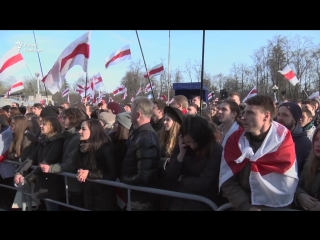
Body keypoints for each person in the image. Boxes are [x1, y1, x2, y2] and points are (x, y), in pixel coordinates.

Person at [219, 95, 299, 211]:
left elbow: (287, 182)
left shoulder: (283, 140)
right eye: (244, 112)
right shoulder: (235, 140)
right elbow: (227, 180)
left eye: (250, 113)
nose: (243, 117)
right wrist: (246, 206)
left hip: (278, 207)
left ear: (266, 116)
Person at [166, 115, 226, 210]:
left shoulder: (215, 149)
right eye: (188, 142)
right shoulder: (182, 145)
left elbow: (204, 182)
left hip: (203, 202)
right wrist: (181, 155)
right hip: (180, 200)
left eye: (195, 142)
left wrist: (181, 179)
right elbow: (170, 175)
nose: (192, 146)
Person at [120, 97, 160, 211]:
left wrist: (123, 180)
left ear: (138, 115)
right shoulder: (139, 134)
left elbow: (144, 176)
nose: (129, 113)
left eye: (131, 111)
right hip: (135, 195)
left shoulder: (145, 138)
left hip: (140, 200)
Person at [76, 119, 117, 211]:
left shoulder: (104, 149)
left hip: (103, 198)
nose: (79, 131)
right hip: (88, 195)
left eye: (83, 129)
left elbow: (112, 175)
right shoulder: (83, 148)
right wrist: (81, 171)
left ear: (93, 131)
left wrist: (89, 174)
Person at [294, 127, 320, 211]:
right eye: (316, 139)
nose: (318, 144)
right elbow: (298, 184)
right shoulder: (310, 162)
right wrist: (300, 195)